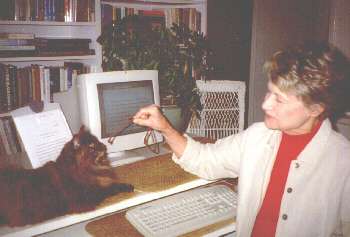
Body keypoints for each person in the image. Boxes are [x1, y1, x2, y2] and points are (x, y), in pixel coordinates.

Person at [133, 41, 350, 237]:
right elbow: (205, 159)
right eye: (269, 92)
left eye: (279, 100)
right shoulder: (257, 136)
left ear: (316, 108)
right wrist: (165, 128)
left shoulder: (343, 163)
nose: (265, 105)